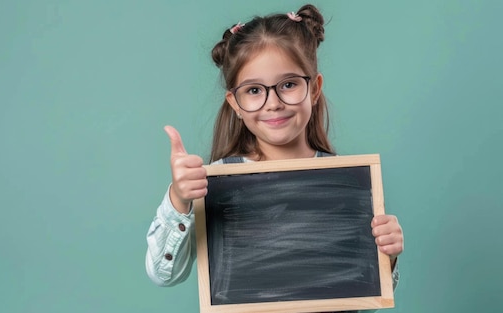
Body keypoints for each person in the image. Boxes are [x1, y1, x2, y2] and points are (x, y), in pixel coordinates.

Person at [145, 4, 404, 312]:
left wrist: (386, 257)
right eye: (254, 90)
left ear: (315, 89)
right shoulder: (212, 184)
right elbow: (163, 274)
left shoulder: (347, 186)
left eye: (289, 85)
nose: (273, 103)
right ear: (235, 103)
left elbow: (360, 295)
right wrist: (179, 198)